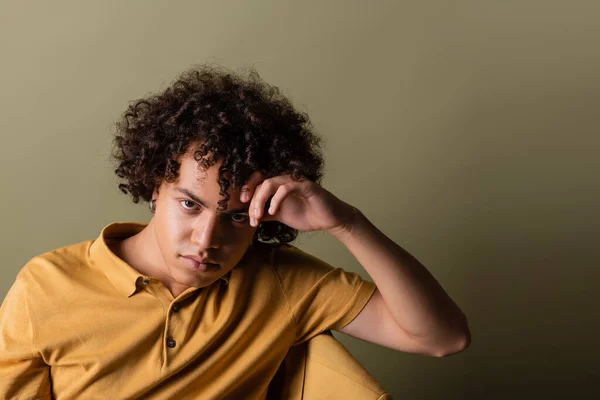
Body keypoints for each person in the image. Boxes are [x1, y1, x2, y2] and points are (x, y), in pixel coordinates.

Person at [0, 64, 470, 399]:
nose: (207, 239)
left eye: (236, 217)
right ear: (152, 186)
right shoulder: (45, 287)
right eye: (189, 205)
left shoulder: (281, 282)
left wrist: (347, 222)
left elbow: (442, 338)